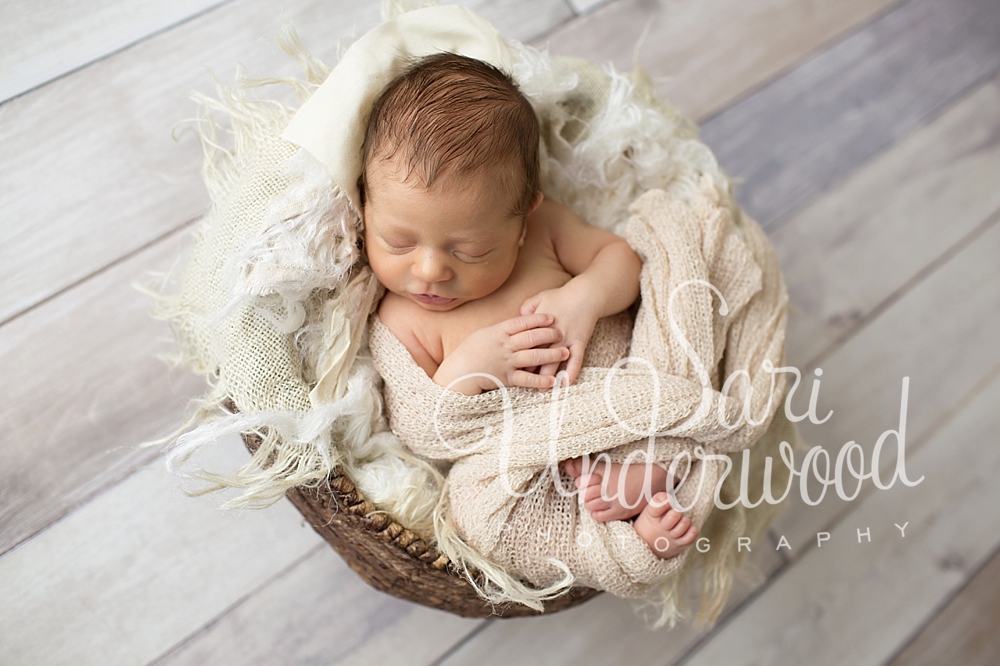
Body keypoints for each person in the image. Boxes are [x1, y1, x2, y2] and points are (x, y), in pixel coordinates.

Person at [360, 52, 698, 559]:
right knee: (475, 511)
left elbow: (623, 262)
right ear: (365, 204)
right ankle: (626, 537)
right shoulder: (401, 318)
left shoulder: (546, 233)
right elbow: (420, 427)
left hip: (622, 395)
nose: (430, 270)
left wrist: (583, 298)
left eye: (469, 250)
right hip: (531, 461)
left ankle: (653, 475)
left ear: (522, 220)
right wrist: (468, 371)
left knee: (679, 337)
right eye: (398, 242)